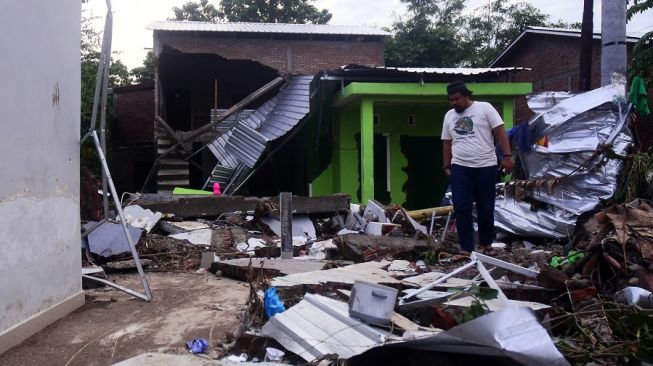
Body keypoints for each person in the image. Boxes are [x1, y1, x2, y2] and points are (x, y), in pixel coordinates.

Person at [441, 80, 512, 256]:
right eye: (451, 100)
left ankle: (486, 244)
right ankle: (466, 248)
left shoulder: (485, 108)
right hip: (460, 168)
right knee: (462, 207)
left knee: (485, 207)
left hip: (486, 166)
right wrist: (446, 166)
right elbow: (447, 142)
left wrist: (507, 157)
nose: (454, 103)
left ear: (466, 95)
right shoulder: (449, 115)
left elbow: (501, 132)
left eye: (456, 99)